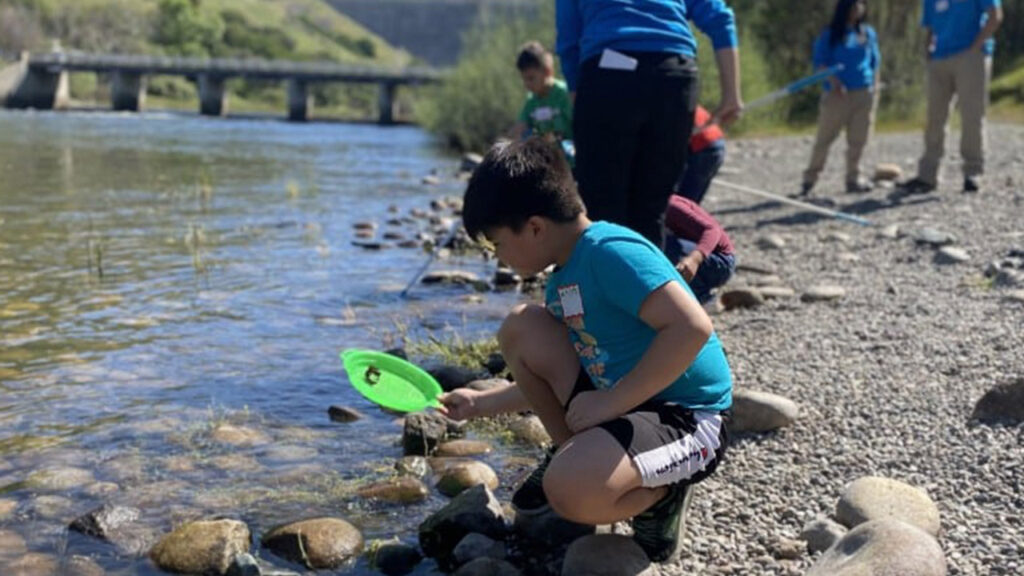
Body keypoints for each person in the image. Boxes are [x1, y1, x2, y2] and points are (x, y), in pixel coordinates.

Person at [442, 138, 733, 562]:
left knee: (570, 493)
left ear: (536, 227)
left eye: (496, 244)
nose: (497, 259)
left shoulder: (610, 251)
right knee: (522, 327)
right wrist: (479, 403)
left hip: (689, 417)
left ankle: (661, 500)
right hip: (627, 406)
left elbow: (691, 328)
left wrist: (612, 401)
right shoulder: (562, 278)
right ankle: (574, 456)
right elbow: (581, 367)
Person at [557, 0, 743, 247]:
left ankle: (608, 280)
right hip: (674, 75)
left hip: (607, 73)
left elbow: (569, 42)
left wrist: (581, 103)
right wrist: (731, 93)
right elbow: (718, 17)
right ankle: (650, 282)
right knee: (653, 207)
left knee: (602, 205)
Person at [900, 0, 1003, 195]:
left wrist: (976, 46)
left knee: (971, 115)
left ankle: (973, 172)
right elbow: (930, 26)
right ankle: (927, 175)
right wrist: (928, 49)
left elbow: (995, 15)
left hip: (970, 55)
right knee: (934, 117)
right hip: (939, 58)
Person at [799, 0, 881, 197]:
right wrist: (833, 81)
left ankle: (854, 178)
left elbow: (875, 61)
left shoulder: (867, 33)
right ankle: (809, 180)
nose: (857, 9)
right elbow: (820, 63)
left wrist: (875, 86)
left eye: (860, 5)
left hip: (864, 92)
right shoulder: (830, 35)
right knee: (824, 139)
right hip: (837, 96)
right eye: (853, 5)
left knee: (858, 139)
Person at [663, 194, 735, 304]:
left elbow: (712, 230)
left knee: (664, 244)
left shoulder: (670, 206)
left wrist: (694, 259)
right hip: (693, 252)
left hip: (719, 262)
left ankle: (702, 298)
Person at [508, 41, 574, 144]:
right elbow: (518, 130)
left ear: (548, 72)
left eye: (531, 78)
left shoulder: (565, 95)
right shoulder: (531, 102)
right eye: (524, 79)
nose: (527, 84)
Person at [675, 105, 727, 204]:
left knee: (682, 202)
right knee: (689, 202)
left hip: (702, 147)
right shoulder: (684, 96)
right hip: (716, 143)